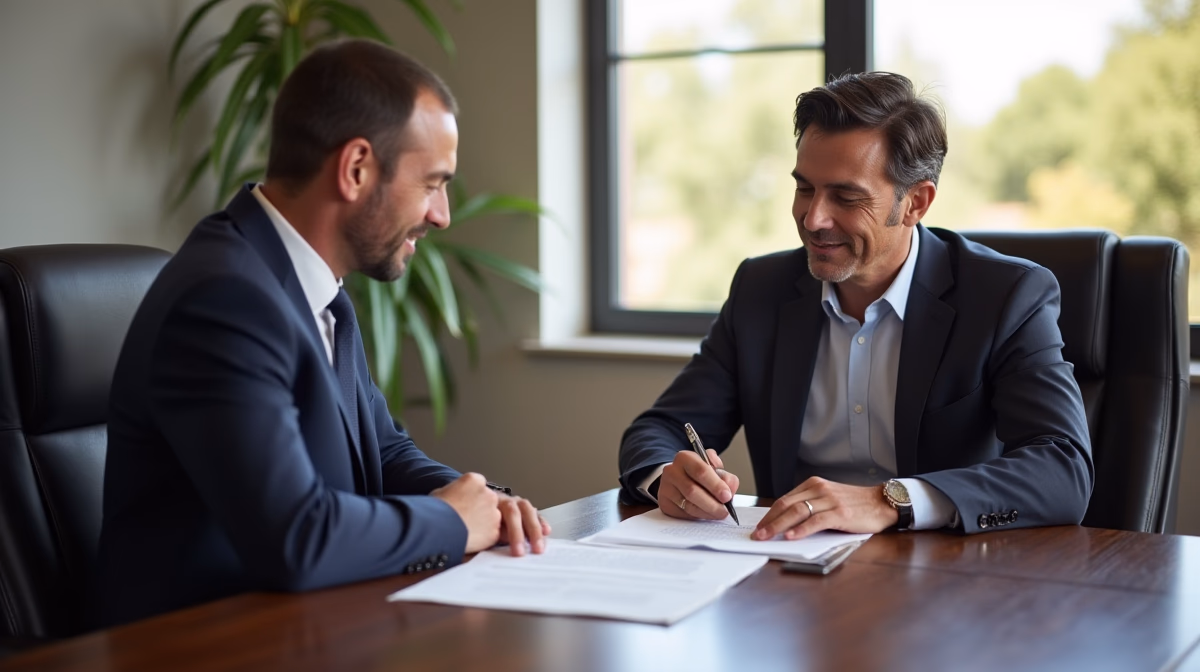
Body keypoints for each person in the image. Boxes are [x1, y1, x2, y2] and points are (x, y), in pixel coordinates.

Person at [95, 40, 548, 627]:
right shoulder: (223, 299)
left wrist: (484, 503)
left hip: (310, 628)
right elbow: (295, 537)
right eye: (432, 183)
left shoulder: (317, 289)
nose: (442, 214)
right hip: (200, 644)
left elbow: (380, 450)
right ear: (356, 168)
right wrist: (453, 523)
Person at [618, 72, 1094, 541]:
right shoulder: (761, 289)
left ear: (916, 203)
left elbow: (1063, 469)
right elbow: (660, 429)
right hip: (790, 575)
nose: (813, 217)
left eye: (846, 197)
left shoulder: (1006, 295)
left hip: (945, 580)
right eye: (805, 188)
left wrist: (889, 500)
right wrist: (667, 477)